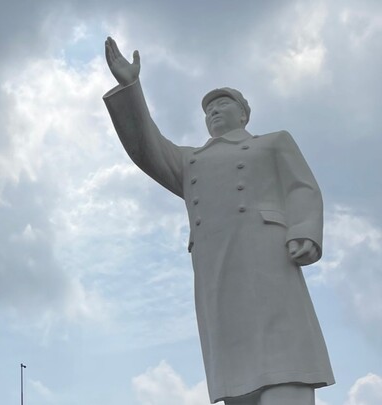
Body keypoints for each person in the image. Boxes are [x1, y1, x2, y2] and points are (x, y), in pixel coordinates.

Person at [102, 37, 334, 405]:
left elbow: (301, 187)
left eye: (223, 103)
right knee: (236, 372)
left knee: (285, 356)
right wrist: (132, 88)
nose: (214, 111)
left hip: (267, 256)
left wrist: (304, 229)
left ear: (244, 114)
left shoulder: (272, 143)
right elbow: (145, 147)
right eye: (208, 109)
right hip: (218, 272)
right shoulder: (190, 161)